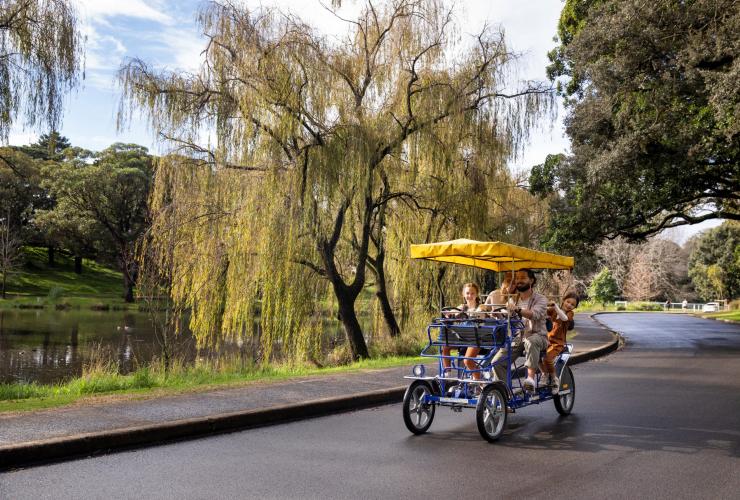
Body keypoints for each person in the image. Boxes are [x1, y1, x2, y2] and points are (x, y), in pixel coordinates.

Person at [490, 269, 548, 391]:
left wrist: (517, 309)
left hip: (538, 336)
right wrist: (498, 315)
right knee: (497, 362)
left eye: (523, 278)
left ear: (531, 280)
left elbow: (534, 315)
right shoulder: (513, 299)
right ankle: (505, 396)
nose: (519, 281)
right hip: (518, 337)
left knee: (531, 341)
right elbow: (510, 319)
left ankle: (530, 379)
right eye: (517, 278)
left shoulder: (541, 299)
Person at [441, 282, 484, 380]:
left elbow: (481, 312)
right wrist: (450, 314)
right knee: (445, 347)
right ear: (463, 294)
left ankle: (479, 383)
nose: (470, 296)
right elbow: (454, 311)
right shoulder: (462, 307)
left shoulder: (480, 307)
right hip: (463, 337)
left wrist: (475, 314)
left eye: (472, 293)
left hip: (476, 338)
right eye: (467, 293)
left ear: (476, 294)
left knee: (468, 361)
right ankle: (447, 373)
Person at [542, 292, 579, 393]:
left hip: (558, 343)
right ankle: (544, 374)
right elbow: (543, 311)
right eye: (568, 302)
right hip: (547, 340)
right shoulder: (553, 310)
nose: (569, 305)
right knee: (536, 355)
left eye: (572, 305)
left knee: (547, 358)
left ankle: (555, 380)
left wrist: (556, 307)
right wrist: (544, 305)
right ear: (563, 300)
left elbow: (564, 318)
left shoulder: (569, 313)